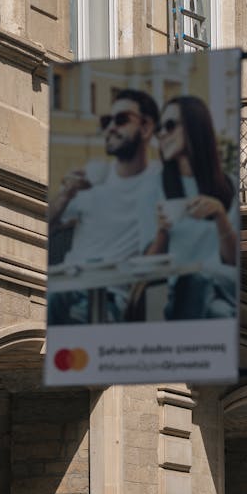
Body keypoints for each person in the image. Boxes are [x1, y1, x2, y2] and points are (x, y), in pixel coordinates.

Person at [48, 89, 161, 325]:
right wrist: (65, 195)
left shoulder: (158, 181)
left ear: (146, 127)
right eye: (106, 121)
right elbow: (46, 225)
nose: (110, 128)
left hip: (110, 298)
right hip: (65, 290)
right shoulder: (93, 176)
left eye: (121, 120)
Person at [141, 94, 238, 321]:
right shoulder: (154, 186)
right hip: (183, 292)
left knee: (201, 280)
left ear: (195, 127)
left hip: (221, 284)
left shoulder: (228, 185)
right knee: (217, 311)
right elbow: (146, 267)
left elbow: (233, 261)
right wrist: (162, 232)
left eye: (170, 125)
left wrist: (220, 216)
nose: (162, 134)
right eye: (159, 128)